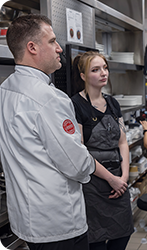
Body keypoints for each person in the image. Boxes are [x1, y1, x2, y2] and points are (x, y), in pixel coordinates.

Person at [0, 14, 128, 250]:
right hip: (57, 222)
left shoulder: (5, 89)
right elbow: (75, 163)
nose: (59, 48)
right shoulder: (49, 99)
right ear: (32, 47)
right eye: (52, 42)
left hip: (26, 217)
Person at [71, 51, 134, 250]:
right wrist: (110, 179)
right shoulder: (75, 105)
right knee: (96, 242)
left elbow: (122, 142)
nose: (103, 73)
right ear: (83, 76)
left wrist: (123, 177)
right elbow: (81, 150)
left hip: (118, 180)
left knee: (122, 236)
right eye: (95, 70)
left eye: (105, 68)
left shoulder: (113, 103)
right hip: (93, 183)